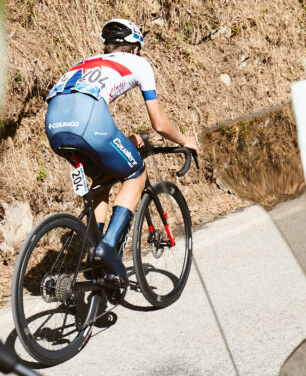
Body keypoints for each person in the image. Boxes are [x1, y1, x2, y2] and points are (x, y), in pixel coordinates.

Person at [45, 18, 199, 286]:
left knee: (102, 180)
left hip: (55, 128)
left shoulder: (84, 63)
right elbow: (159, 124)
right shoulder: (139, 63)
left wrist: (128, 139)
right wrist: (185, 140)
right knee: (137, 173)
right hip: (91, 124)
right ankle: (107, 247)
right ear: (135, 48)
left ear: (108, 47)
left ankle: (96, 252)